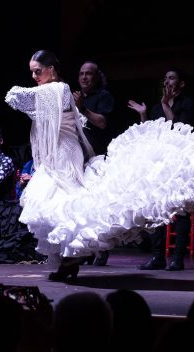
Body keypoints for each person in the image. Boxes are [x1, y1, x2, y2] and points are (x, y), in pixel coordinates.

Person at [5, 51, 194, 282]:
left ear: (51, 69)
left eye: (37, 70)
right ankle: (68, 260)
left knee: (62, 200)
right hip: (59, 151)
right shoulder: (55, 91)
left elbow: (16, 97)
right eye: (31, 71)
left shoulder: (58, 89)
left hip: (65, 153)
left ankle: (72, 257)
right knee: (54, 203)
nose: (33, 75)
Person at [129, 69, 194, 271]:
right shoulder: (158, 106)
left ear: (181, 83)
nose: (168, 81)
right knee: (156, 208)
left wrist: (166, 104)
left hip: (180, 160)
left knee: (181, 210)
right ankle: (157, 256)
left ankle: (177, 258)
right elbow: (152, 133)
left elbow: (177, 129)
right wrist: (143, 115)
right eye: (165, 78)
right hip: (161, 163)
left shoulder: (187, 104)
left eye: (172, 77)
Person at [73, 61, 115, 266]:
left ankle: (101, 249)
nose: (84, 78)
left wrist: (83, 109)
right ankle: (85, 249)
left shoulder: (103, 97)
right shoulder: (75, 98)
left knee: (98, 207)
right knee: (81, 207)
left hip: (98, 158)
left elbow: (102, 122)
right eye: (81, 74)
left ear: (96, 76)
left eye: (88, 74)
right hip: (78, 160)